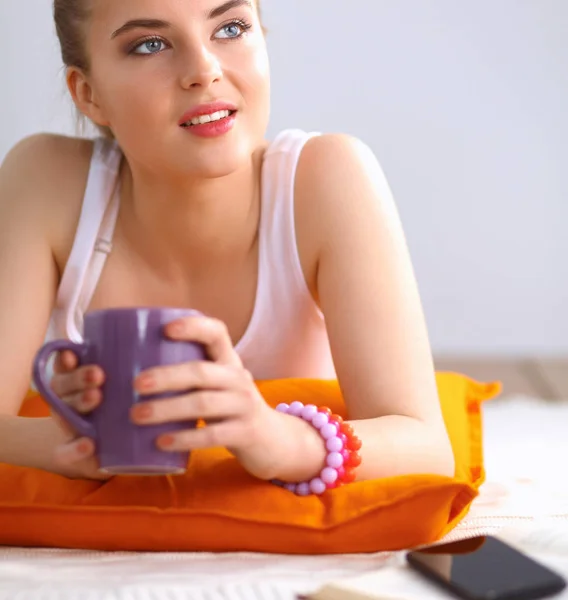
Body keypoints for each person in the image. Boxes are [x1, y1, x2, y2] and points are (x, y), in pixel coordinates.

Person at [0, 0, 454, 490]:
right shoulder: (47, 179)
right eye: (150, 45)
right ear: (89, 95)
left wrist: (280, 441)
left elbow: (426, 447)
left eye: (230, 27)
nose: (204, 70)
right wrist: (71, 445)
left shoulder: (327, 179)